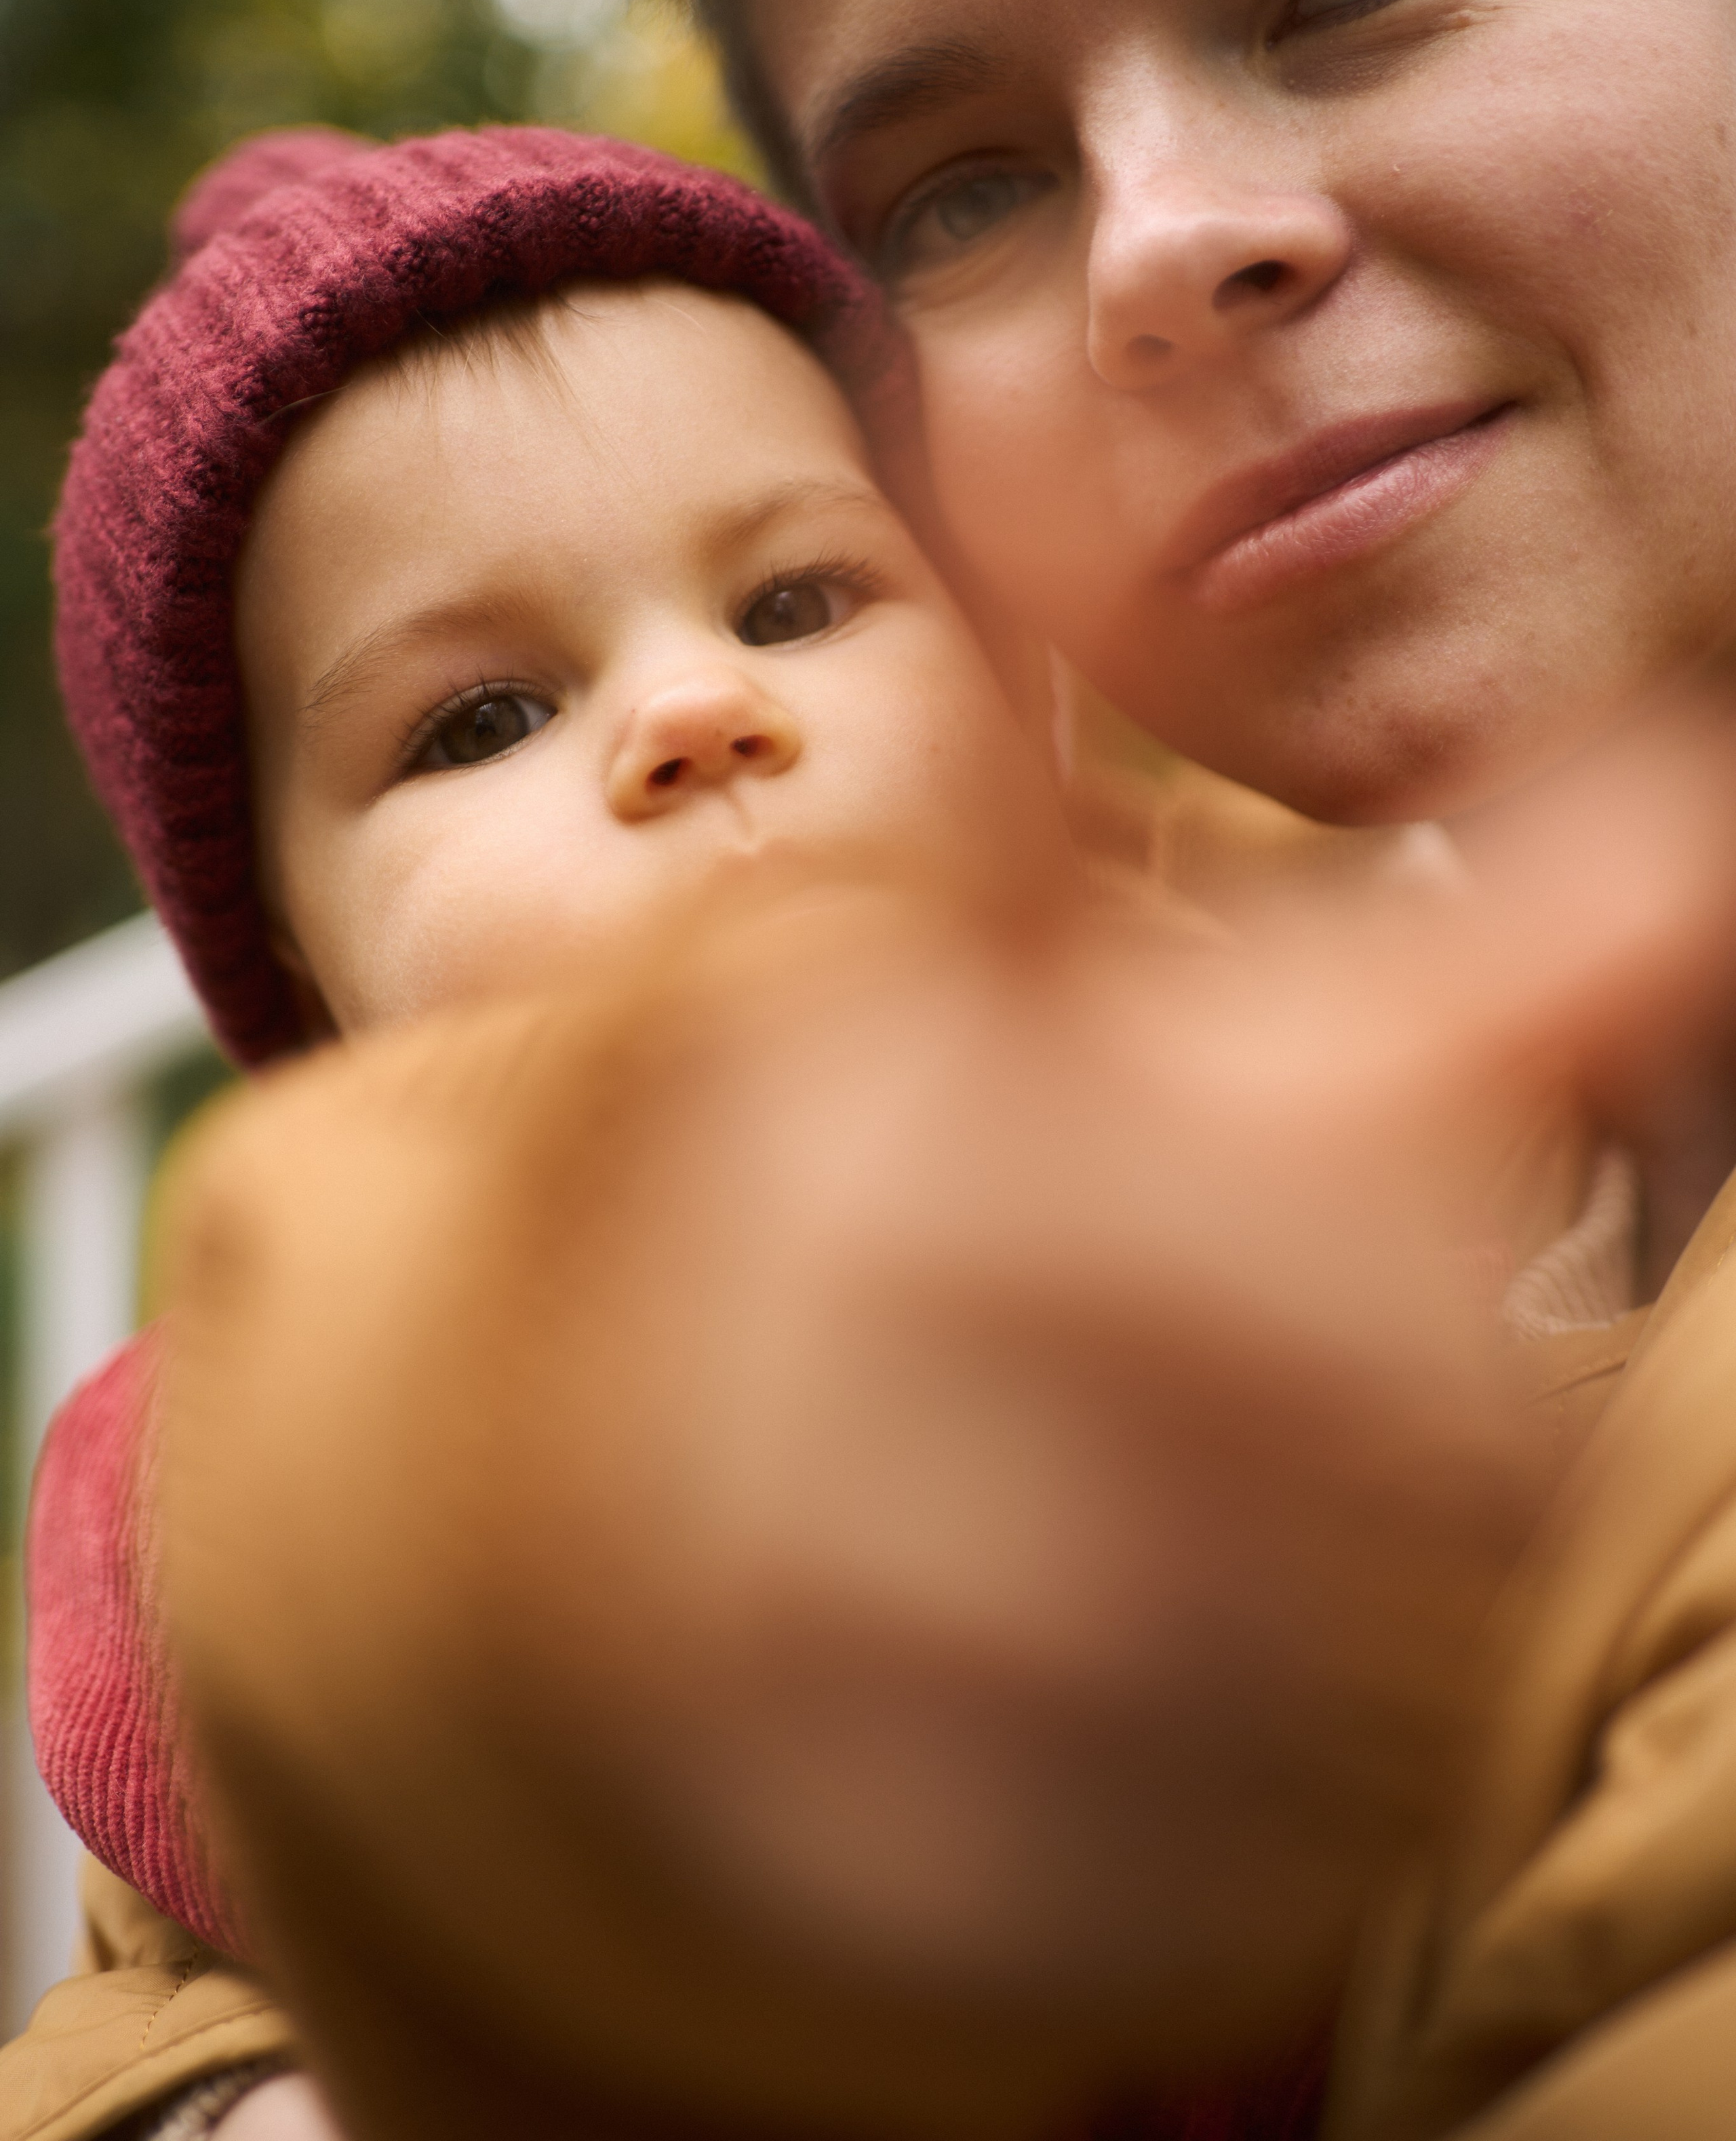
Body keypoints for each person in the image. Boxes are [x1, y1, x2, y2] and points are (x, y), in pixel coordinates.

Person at [8, 106, 1665, 2141]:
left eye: (797, 602)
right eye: (480, 720)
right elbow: (188, 1968)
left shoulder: (1344, 1099)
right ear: (301, 969)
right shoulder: (268, 1454)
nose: (696, 718)